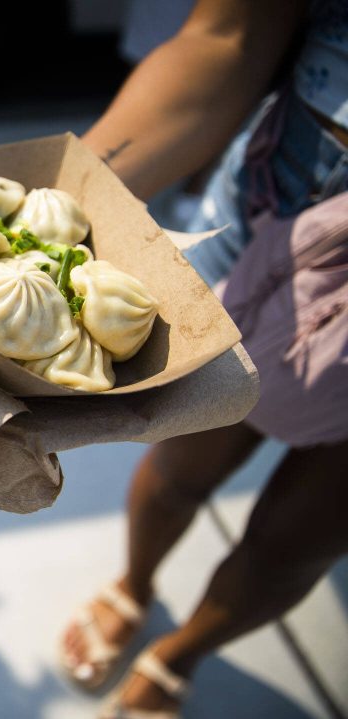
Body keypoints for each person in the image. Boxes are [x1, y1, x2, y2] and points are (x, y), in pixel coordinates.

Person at [59, 0, 348, 716]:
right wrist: (56, 205)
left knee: (299, 540)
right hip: (267, 216)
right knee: (181, 463)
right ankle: (134, 581)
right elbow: (228, 35)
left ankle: (179, 652)